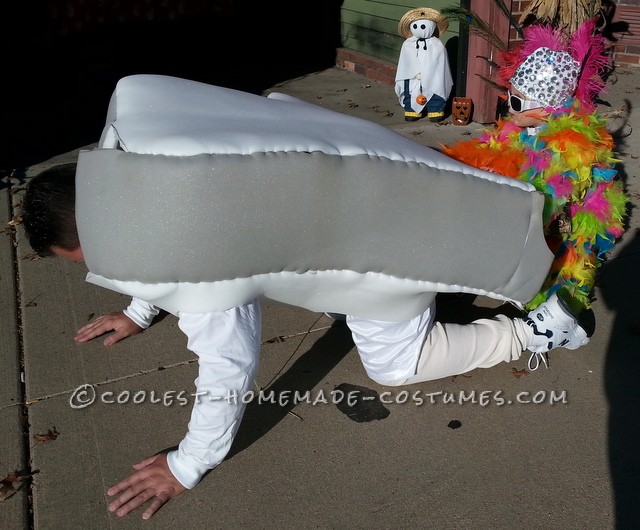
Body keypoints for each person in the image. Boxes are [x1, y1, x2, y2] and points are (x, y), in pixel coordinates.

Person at [22, 151, 591, 519]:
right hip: (385, 187)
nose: (101, 271)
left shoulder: (195, 255)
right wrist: (142, 310)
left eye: (91, 259)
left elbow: (228, 362)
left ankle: (537, 331)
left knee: (393, 365)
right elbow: (145, 247)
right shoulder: (152, 166)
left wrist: (186, 465)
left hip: (392, 250)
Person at [442, 20, 629, 316]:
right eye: (508, 97)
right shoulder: (522, 129)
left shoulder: (570, 148)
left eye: (516, 101)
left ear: (548, 108)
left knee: (555, 269)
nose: (509, 107)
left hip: (563, 225)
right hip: (536, 218)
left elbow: (548, 196)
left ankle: (553, 319)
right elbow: (497, 151)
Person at [395, 7, 453, 122]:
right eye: (416, 26)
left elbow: (440, 65)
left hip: (433, 75)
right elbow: (405, 63)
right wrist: (414, 72)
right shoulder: (408, 44)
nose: (420, 29)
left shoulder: (437, 45)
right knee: (409, 89)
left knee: (436, 86)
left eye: (423, 26)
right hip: (411, 76)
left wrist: (428, 73)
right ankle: (411, 109)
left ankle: (435, 109)